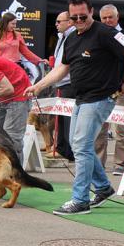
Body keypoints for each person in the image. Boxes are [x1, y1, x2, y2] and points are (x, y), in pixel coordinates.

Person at [26, 0, 124, 216]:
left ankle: (80, 199)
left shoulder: (106, 33)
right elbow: (62, 69)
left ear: (91, 12)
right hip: (81, 97)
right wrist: (38, 85)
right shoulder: (71, 38)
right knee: (80, 145)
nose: (79, 21)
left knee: (80, 145)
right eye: (74, 18)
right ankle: (104, 188)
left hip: (101, 97)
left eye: (82, 17)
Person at [95, 4, 124, 174]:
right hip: (101, 90)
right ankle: (98, 164)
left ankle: (120, 163)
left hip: (119, 90)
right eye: (104, 18)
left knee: (121, 129)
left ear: (117, 17)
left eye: (110, 17)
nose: (107, 20)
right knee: (99, 129)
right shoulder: (98, 36)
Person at [51, 11, 76, 161]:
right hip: (60, 81)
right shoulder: (62, 37)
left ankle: (68, 151)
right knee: (60, 118)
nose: (56, 24)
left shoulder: (72, 37)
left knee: (68, 119)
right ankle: (60, 148)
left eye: (59, 21)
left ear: (69, 22)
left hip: (69, 82)